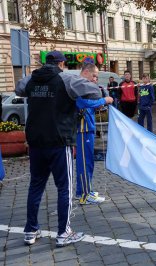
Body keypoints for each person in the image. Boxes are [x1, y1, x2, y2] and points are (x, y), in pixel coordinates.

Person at [15, 51, 103, 247]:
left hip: (36, 141)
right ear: (62, 63)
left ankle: (30, 230)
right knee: (64, 187)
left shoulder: (32, 78)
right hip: (59, 140)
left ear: (46, 62)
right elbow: (95, 92)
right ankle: (64, 233)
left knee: (35, 186)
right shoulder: (66, 79)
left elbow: (19, 89)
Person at [75, 64, 113, 205]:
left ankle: (83, 191)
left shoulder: (84, 85)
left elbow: (88, 104)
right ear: (85, 72)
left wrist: (97, 105)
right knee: (85, 163)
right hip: (83, 130)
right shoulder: (78, 86)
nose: (96, 79)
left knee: (87, 162)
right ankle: (85, 195)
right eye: (94, 76)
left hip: (87, 128)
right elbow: (81, 103)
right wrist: (104, 100)